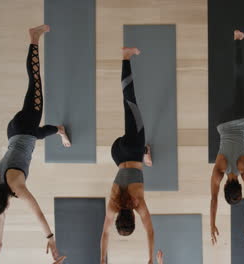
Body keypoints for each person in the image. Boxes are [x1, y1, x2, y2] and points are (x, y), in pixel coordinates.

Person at [0, 25, 71, 264]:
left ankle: (34, 38)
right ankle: (59, 130)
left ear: (5, 200)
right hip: (14, 131)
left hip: (26, 125)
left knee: (34, 82)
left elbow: (36, 211)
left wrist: (50, 237)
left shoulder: (17, 187)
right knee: (41, 134)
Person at [100, 47, 155, 264]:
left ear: (132, 217)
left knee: (130, 103)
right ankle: (145, 154)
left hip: (131, 147)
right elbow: (104, 234)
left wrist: (151, 259)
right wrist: (102, 260)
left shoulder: (138, 203)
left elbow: (150, 231)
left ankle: (125, 56)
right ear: (118, 219)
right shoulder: (112, 205)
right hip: (117, 153)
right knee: (138, 152)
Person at [210, 29, 244, 248]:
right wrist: (212, 224)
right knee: (225, 88)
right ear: (226, 185)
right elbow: (213, 199)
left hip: (242, 118)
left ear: (239, 184)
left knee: (240, 81)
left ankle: (237, 39)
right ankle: (222, 48)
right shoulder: (219, 169)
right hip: (223, 121)